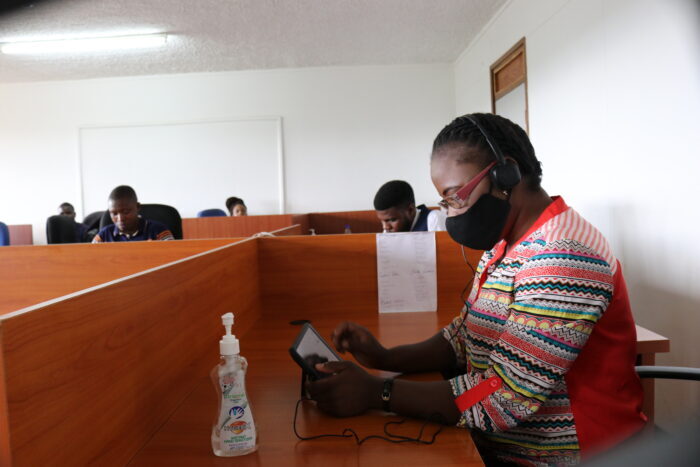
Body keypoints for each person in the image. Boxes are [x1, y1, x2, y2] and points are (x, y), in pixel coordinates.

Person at [307, 114, 646, 465]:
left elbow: (501, 396)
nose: (453, 215)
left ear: (506, 174)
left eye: (456, 197)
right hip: (498, 442)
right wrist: (386, 358)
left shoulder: (561, 257)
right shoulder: (505, 243)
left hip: (570, 454)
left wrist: (379, 392)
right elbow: (464, 336)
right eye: (445, 202)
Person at [92, 185, 174, 242]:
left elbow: (174, 258)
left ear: (138, 207)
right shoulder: (103, 236)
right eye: (114, 214)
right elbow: (90, 260)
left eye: (126, 212)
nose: (120, 219)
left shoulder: (159, 232)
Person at [373, 180, 445, 232]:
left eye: (392, 220)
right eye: (382, 221)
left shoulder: (433, 219)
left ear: (410, 210)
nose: (385, 227)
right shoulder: (388, 231)